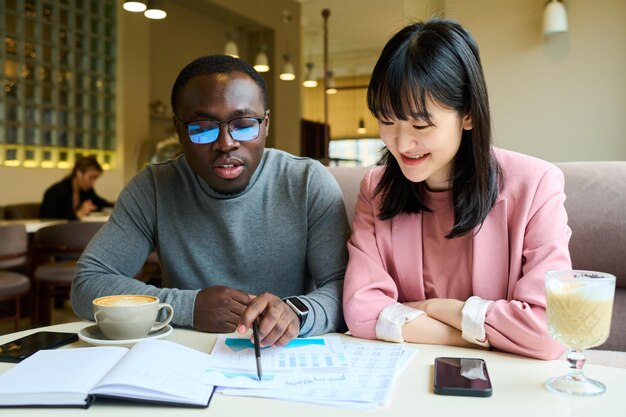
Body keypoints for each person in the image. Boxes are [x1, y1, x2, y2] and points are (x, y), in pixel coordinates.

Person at [71, 55, 349, 346]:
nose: (226, 143)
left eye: (243, 124)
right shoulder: (153, 188)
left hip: (285, 354)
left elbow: (346, 289)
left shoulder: (306, 181)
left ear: (265, 125)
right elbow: (88, 283)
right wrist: (188, 307)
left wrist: (296, 312)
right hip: (184, 357)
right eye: (202, 128)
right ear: (179, 131)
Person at [343, 19, 571, 360]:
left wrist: (433, 308)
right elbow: (361, 311)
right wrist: (478, 335)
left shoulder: (537, 185)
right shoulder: (376, 190)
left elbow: (548, 330)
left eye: (421, 124)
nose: (402, 142)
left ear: (468, 115)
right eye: (387, 121)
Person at [39, 155, 113, 220]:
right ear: (79, 173)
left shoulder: (87, 191)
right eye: (91, 178)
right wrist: (78, 214)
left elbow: (102, 204)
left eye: (95, 179)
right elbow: (48, 221)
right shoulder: (55, 192)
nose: (93, 183)